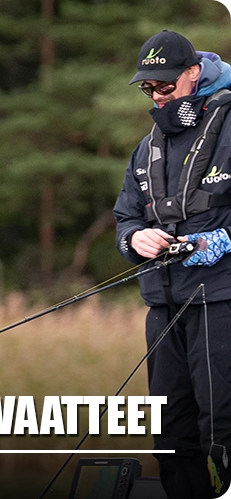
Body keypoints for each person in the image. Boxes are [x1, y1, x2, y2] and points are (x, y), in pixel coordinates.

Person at [114, 30, 231, 499]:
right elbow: (125, 216)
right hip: (163, 306)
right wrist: (133, 238)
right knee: (170, 435)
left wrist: (223, 239)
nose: (158, 96)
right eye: (148, 88)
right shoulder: (147, 146)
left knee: (221, 427)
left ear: (193, 73)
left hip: (221, 300)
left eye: (165, 85)